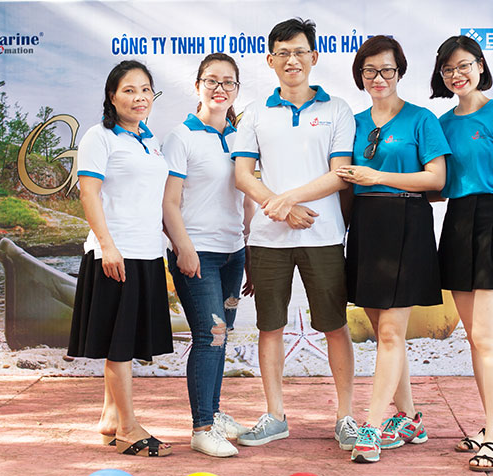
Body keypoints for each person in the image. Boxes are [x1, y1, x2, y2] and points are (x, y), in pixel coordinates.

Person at [232, 17, 358, 450]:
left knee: (334, 326)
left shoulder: (337, 109)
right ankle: (275, 416)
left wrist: (287, 200)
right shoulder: (254, 113)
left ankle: (345, 417)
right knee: (270, 327)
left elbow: (341, 174)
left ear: (314, 57)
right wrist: (282, 210)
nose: (292, 60)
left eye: (300, 51)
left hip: (324, 236)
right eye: (283, 53)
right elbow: (243, 175)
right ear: (270, 60)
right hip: (269, 239)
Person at [335, 35, 449, 464]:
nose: (378, 77)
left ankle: (370, 426)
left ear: (399, 72)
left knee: (389, 333)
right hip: (365, 228)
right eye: (370, 70)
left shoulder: (422, 119)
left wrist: (377, 176)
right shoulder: (353, 122)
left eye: (387, 69)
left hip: (406, 223)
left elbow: (436, 179)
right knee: (384, 330)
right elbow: (344, 183)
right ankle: (410, 418)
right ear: (360, 75)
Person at [430, 35, 493, 472]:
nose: (457, 75)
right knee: (474, 337)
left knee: (488, 337)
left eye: (464, 65)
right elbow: (439, 186)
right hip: (456, 222)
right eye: (449, 69)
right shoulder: (442, 124)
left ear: (481, 66)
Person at [68, 60, 173, 458]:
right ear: (112, 96)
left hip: (147, 252)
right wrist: (107, 245)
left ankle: (110, 419)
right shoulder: (99, 136)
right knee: (120, 345)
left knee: (126, 341)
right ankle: (128, 428)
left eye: (145, 89)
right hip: (115, 253)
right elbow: (89, 194)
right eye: (129, 90)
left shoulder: (150, 139)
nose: (139, 97)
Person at [162, 53, 255, 458]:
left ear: (236, 89)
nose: (220, 89)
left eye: (228, 82)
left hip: (234, 253)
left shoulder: (240, 138)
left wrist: (250, 250)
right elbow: (169, 203)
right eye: (212, 81)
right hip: (198, 254)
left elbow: (247, 197)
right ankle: (201, 428)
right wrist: (184, 247)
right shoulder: (181, 136)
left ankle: (213, 415)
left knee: (222, 335)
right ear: (197, 86)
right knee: (210, 335)